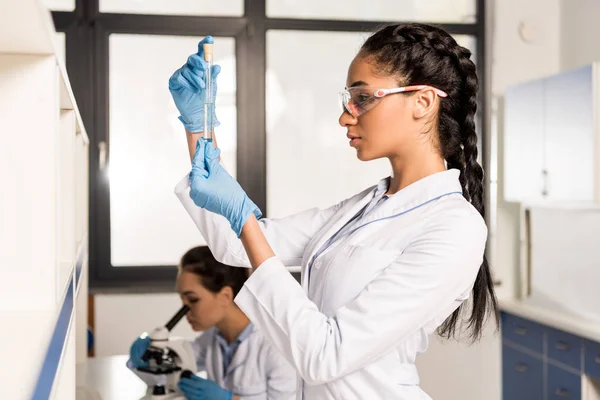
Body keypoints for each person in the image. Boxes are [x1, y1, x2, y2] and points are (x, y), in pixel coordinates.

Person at [170, 24, 499, 400]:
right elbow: (236, 245)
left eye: (362, 97)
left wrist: (244, 217)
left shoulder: (454, 226)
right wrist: (200, 127)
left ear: (422, 102)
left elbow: (326, 356)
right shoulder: (365, 207)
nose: (346, 116)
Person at [127, 246, 296, 400]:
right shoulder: (212, 338)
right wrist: (147, 354)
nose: (185, 309)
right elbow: (166, 374)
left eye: (192, 299)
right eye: (182, 299)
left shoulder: (276, 347)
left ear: (225, 296)